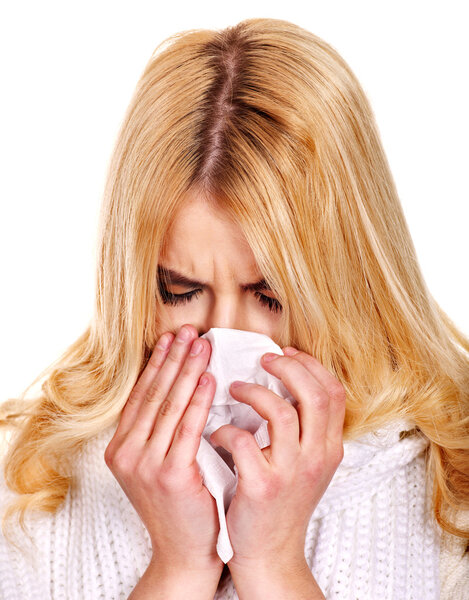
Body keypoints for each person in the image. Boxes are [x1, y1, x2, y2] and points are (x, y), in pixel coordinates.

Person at [1, 16, 468, 600]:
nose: (224, 334)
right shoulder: (26, 483)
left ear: (352, 280)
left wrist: (273, 566)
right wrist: (179, 570)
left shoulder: (452, 486)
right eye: (179, 289)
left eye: (271, 294)